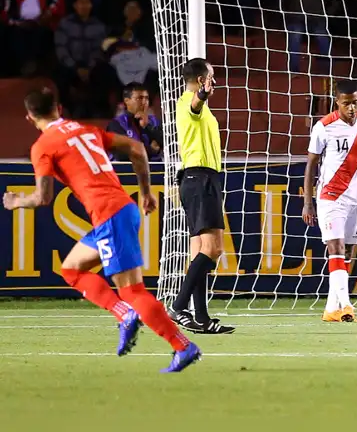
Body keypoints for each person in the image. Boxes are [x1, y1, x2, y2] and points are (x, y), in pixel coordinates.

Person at [4, 88, 199, 372]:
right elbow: (136, 147)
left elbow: (43, 197)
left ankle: (182, 346)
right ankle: (124, 314)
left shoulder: (43, 146)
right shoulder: (86, 130)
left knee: (133, 291)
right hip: (120, 210)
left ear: (29, 117)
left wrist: (17, 202)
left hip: (110, 215)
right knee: (71, 269)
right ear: (59, 108)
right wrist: (145, 192)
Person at [303, 80, 357, 323]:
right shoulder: (324, 127)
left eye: (356, 102)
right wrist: (308, 202)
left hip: (355, 198)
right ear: (337, 102)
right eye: (346, 103)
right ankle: (347, 305)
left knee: (349, 250)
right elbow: (311, 165)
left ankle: (331, 308)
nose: (352, 107)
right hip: (330, 197)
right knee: (336, 248)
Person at [168, 58, 235, 334]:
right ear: (200, 80)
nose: (215, 81)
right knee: (213, 249)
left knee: (198, 253)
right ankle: (179, 305)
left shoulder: (193, 106)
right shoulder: (190, 102)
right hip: (200, 178)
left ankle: (202, 318)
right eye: (211, 77)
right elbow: (196, 103)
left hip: (198, 179)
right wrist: (202, 94)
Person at [107, 82, 163, 162]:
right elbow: (121, 154)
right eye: (139, 98)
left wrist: (147, 126)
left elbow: (167, 144)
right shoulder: (117, 124)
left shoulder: (154, 121)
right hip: (126, 172)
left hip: (156, 170)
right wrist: (151, 150)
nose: (144, 102)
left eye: (146, 98)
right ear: (127, 101)